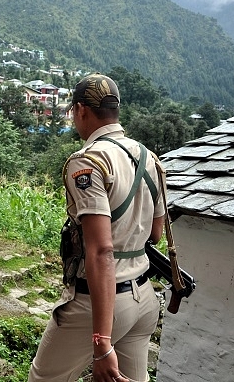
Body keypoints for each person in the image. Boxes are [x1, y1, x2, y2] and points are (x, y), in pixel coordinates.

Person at [28, 74, 165, 382]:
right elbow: (154, 235)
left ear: (81, 110)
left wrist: (101, 343)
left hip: (100, 302)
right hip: (144, 299)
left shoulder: (88, 161)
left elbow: (101, 249)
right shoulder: (149, 158)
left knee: (43, 379)